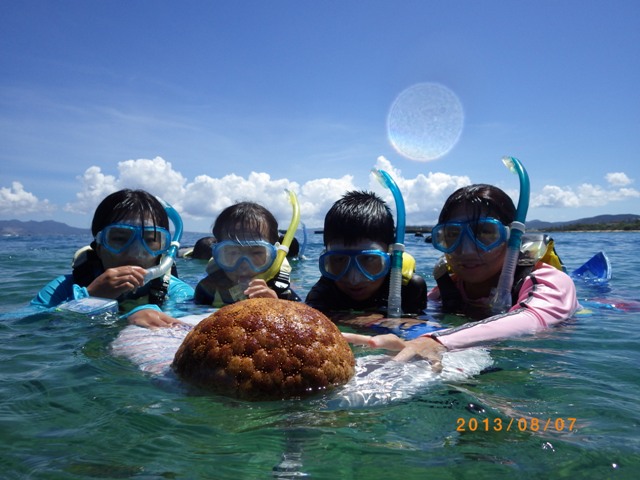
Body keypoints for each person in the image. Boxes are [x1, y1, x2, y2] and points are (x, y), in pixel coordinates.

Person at [344, 184, 579, 369]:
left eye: (485, 233)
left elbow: (532, 320)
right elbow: (421, 318)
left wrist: (435, 341)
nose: (466, 250)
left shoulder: (550, 282)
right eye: (452, 236)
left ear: (512, 237)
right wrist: (371, 321)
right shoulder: (449, 289)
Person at [31, 189, 194, 328]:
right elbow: (23, 327)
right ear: (99, 245)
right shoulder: (63, 289)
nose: (135, 253)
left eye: (150, 240)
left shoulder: (178, 293)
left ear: (164, 248)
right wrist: (88, 298)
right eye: (120, 239)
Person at [305, 190, 427, 318]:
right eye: (339, 259)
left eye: (368, 259)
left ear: (391, 255)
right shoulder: (324, 292)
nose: (354, 279)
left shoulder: (410, 287)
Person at [194, 201, 300, 306]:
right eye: (233, 252)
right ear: (219, 254)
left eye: (256, 253)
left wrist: (277, 307)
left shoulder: (282, 292)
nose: (244, 265)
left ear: (273, 255)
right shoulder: (208, 291)